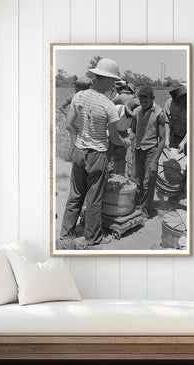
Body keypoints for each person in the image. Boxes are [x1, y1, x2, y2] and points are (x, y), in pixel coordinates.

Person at [60, 58, 131, 246]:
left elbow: (68, 125)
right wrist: (124, 142)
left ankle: (66, 234)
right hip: (97, 154)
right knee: (94, 198)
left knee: (75, 194)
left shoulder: (79, 97)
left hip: (79, 152)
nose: (113, 85)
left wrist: (77, 143)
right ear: (107, 80)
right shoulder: (108, 106)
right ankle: (93, 238)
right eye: (113, 81)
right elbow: (114, 138)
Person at [131, 85, 166, 218]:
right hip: (138, 149)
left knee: (148, 182)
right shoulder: (137, 111)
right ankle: (138, 206)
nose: (143, 104)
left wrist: (155, 160)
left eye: (146, 102)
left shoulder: (159, 113)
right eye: (141, 102)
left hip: (151, 151)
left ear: (153, 99)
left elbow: (162, 139)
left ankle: (146, 211)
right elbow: (133, 130)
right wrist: (132, 135)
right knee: (137, 180)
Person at [107, 97, 140, 175]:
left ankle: (119, 177)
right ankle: (106, 177)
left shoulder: (134, 117)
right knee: (107, 157)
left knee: (121, 158)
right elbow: (106, 127)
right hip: (110, 134)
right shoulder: (115, 110)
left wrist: (130, 136)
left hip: (123, 134)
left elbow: (133, 129)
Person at [164, 83, 187, 154]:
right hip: (173, 138)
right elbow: (166, 122)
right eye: (179, 102)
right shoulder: (169, 104)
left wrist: (183, 142)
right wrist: (167, 139)